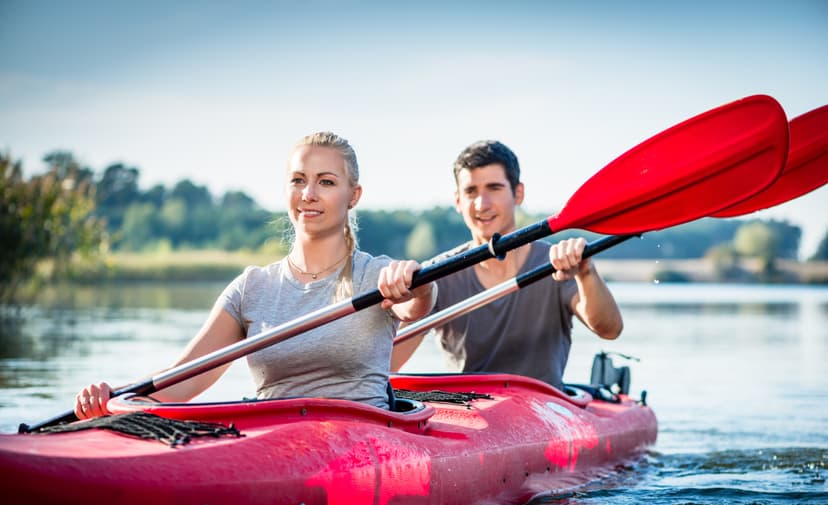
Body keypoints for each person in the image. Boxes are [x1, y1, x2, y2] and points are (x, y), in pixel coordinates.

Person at [75, 131, 436, 417]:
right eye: (298, 180)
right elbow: (178, 381)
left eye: (326, 182)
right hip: (276, 447)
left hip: (364, 447)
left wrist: (415, 285)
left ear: (353, 195)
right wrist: (112, 400)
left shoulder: (376, 275)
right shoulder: (252, 288)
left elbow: (420, 304)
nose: (308, 194)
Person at [391, 140, 622, 390]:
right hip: (470, 415)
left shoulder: (555, 263)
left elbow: (609, 330)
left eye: (494, 188)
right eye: (471, 192)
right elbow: (386, 364)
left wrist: (586, 272)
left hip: (545, 411)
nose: (482, 204)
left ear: (518, 193)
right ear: (458, 201)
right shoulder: (438, 274)